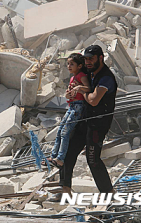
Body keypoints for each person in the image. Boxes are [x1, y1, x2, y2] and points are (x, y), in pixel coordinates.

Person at [57, 45, 118, 200]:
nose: (88, 62)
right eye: (86, 59)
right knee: (68, 152)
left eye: (91, 58)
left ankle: (108, 193)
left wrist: (81, 91)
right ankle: (64, 190)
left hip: (98, 123)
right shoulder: (88, 73)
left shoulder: (106, 78)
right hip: (84, 119)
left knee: (93, 159)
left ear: (100, 58)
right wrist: (74, 90)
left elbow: (93, 100)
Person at [48, 53, 90, 168]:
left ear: (80, 66)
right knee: (60, 130)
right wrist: (68, 94)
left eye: (72, 64)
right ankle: (53, 156)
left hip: (78, 107)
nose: (69, 66)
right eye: (68, 64)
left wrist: (79, 88)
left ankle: (60, 159)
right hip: (71, 106)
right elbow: (68, 95)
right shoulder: (72, 78)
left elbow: (89, 88)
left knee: (65, 132)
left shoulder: (81, 76)